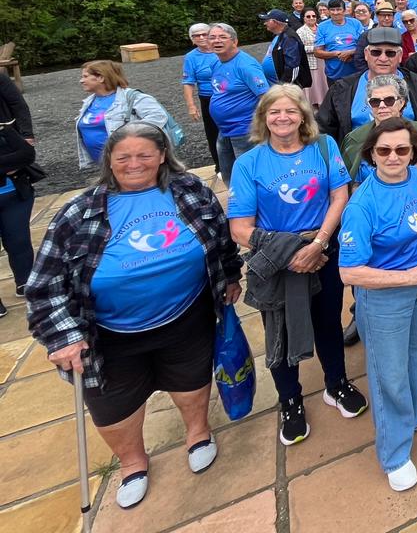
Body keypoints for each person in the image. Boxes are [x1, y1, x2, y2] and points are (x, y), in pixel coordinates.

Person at [26, 122, 241, 509]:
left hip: (185, 312)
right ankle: (132, 463)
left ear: (162, 156)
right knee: (114, 402)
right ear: (109, 159)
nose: (134, 163)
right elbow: (44, 285)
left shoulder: (189, 190)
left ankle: (197, 432)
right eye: (123, 156)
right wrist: (61, 336)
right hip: (106, 329)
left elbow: (220, 237)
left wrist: (228, 275)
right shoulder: (80, 211)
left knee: (190, 377)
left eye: (144, 155)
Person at [227, 85, 364, 444]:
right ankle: (290, 400)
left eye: (291, 111)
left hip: (322, 249)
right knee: (280, 330)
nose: (283, 118)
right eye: (274, 112)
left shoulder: (324, 147)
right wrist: (290, 251)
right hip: (276, 260)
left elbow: (339, 196)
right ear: (263, 118)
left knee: (328, 321)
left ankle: (336, 383)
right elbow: (240, 228)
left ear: (304, 115)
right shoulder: (249, 163)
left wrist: (319, 242)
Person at [338, 118, 417, 491]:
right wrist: (409, 277)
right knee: (389, 376)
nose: (393, 156)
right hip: (387, 293)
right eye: (384, 150)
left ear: (413, 152)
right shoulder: (362, 204)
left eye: (402, 149)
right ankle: (395, 452)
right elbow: (350, 273)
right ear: (371, 153)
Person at [317, 27, 417, 150]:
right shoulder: (342, 89)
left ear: (400, 56)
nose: (383, 58)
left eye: (390, 53)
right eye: (376, 52)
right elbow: (324, 131)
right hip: (359, 165)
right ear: (366, 54)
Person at [77, 60, 171, 170]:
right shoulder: (89, 102)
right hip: (106, 165)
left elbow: (158, 116)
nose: (81, 81)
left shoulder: (133, 97)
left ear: (101, 78)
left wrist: (131, 134)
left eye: (85, 76)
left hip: (131, 163)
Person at [207, 24, 272, 178]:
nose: (217, 41)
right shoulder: (216, 62)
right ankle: (235, 199)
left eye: (222, 37)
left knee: (250, 173)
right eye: (213, 37)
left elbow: (266, 97)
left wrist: (262, 126)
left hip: (245, 130)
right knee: (228, 172)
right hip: (224, 130)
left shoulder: (246, 65)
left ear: (234, 41)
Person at [0, 74, 35, 314]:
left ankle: (26, 281)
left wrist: (25, 133)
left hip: (13, 191)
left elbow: (25, 156)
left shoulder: (4, 129)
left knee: (18, 239)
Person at [181, 24, 221, 175]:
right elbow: (188, 82)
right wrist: (191, 106)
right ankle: (219, 165)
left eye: (204, 34)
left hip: (228, 95)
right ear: (192, 40)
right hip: (208, 97)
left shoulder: (221, 49)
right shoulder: (191, 57)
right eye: (197, 36)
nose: (202, 38)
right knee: (213, 132)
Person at [314, 0, 364, 82]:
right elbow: (317, 52)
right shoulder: (322, 27)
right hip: (334, 74)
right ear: (328, 11)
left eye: (338, 9)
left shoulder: (355, 23)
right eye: (332, 10)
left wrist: (350, 52)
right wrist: (336, 54)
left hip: (356, 71)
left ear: (344, 11)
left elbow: (364, 46)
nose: (335, 12)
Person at [260, 9, 308, 86]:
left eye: (267, 20)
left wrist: (283, 86)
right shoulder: (279, 35)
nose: (265, 23)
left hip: (286, 89)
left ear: (275, 22)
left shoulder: (289, 38)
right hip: (275, 85)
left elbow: (293, 66)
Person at [296, 9, 327, 109]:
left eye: (313, 16)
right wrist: (314, 49)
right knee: (315, 84)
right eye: (308, 16)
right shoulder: (300, 31)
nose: (311, 18)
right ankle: (315, 104)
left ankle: (326, 102)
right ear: (304, 18)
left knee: (324, 82)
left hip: (324, 60)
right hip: (311, 62)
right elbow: (299, 48)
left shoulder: (321, 27)